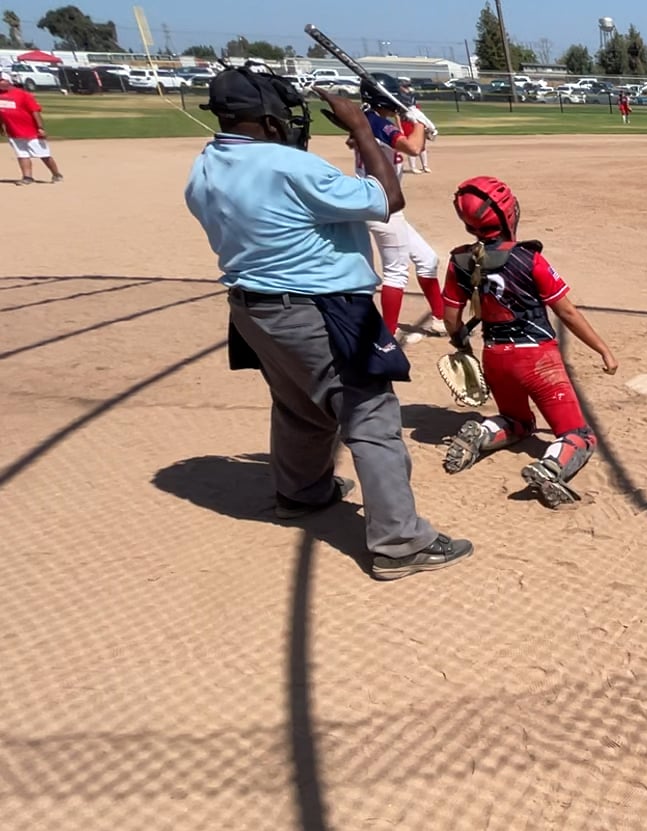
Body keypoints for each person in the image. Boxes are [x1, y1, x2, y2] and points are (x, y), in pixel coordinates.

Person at [182, 67, 472, 580]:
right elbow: (388, 199)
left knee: (299, 406)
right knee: (371, 415)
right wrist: (362, 127)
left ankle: (301, 492)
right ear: (268, 120)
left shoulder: (206, 164)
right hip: (318, 307)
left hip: (253, 309)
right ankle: (400, 543)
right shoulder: (290, 166)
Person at [438, 176, 621, 509]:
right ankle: (550, 468)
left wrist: (461, 344)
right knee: (579, 435)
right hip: (537, 359)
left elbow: (451, 319)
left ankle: (483, 433)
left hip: (495, 357)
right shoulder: (528, 258)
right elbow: (567, 313)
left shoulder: (459, 260)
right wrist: (603, 350)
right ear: (508, 214)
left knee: (518, 421)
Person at [354, 75, 448, 344]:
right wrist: (419, 123)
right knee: (396, 270)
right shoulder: (374, 122)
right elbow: (413, 147)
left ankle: (440, 319)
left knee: (427, 259)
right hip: (381, 205)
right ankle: (388, 333)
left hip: (382, 204)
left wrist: (412, 121)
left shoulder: (368, 119)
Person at [0, 71, 62, 184]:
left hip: (31, 131)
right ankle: (27, 177)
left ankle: (56, 174)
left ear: (9, 81)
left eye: (1, 80)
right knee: (21, 154)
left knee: (44, 155)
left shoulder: (23, 94)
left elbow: (35, 111)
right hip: (13, 131)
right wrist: (1, 127)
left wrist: (40, 128)